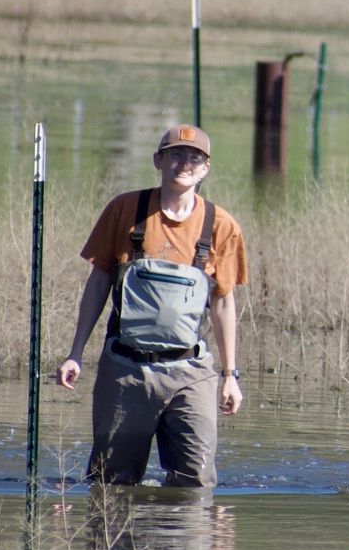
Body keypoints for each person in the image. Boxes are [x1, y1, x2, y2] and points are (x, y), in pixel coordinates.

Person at [57, 124, 247, 487]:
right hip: (125, 369)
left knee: (195, 483)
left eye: (195, 157)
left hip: (191, 370)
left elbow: (223, 302)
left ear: (206, 168)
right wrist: (75, 353)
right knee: (111, 481)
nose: (185, 163)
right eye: (176, 154)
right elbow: (99, 282)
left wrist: (230, 376)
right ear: (158, 160)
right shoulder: (125, 209)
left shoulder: (221, 225)